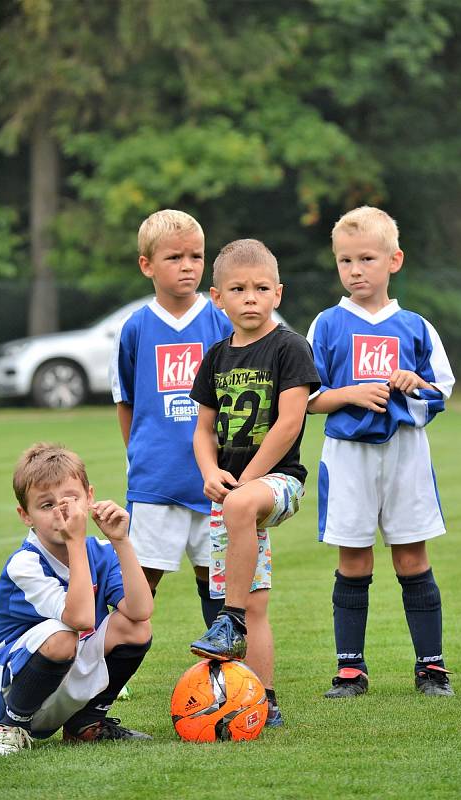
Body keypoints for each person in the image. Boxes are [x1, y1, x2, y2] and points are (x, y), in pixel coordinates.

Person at [306, 206, 456, 699]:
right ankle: (351, 670)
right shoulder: (326, 325)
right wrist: (350, 393)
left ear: (394, 261)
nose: (355, 270)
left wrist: (416, 383)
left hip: (406, 454)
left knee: (412, 556)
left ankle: (431, 668)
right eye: (345, 260)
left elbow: (443, 389)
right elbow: (306, 397)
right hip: (348, 456)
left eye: (366, 258)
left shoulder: (415, 326)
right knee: (354, 558)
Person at [188, 239, 320, 726]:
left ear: (278, 294)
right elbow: (202, 428)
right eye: (238, 289)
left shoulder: (289, 346)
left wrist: (246, 479)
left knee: (240, 516)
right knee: (255, 600)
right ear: (217, 297)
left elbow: (289, 422)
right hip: (232, 497)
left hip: (279, 481)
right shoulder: (216, 357)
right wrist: (209, 473)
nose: (250, 297)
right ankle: (264, 699)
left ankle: (230, 621)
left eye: (261, 288)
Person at [110, 210, 233, 628]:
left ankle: (225, 676)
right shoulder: (136, 328)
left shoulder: (222, 322)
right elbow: (125, 400)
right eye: (175, 257)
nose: (188, 266)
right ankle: (111, 673)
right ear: (147, 265)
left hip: (217, 478)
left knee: (217, 579)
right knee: (141, 580)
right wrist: (141, 457)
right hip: (156, 480)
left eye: (196, 257)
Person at [0, 443, 153, 755]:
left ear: (89, 497)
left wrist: (121, 541)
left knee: (136, 628)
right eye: (46, 505)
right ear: (25, 515)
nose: (62, 511)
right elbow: (80, 620)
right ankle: (11, 727)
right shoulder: (25, 564)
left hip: (63, 674)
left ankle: (86, 725)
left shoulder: (100, 549)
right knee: (63, 635)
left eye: (70, 499)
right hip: (9, 685)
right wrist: (76, 541)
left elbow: (141, 610)